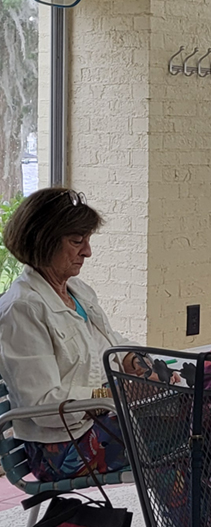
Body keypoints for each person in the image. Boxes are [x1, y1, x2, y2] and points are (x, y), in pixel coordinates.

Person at [0, 188, 140, 481]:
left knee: (205, 415)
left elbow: (109, 342)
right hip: (61, 448)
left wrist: (134, 361)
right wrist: (110, 395)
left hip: (97, 422)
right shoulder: (22, 309)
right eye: (77, 241)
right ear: (43, 241)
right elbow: (44, 404)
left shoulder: (77, 291)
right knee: (197, 429)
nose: (87, 252)